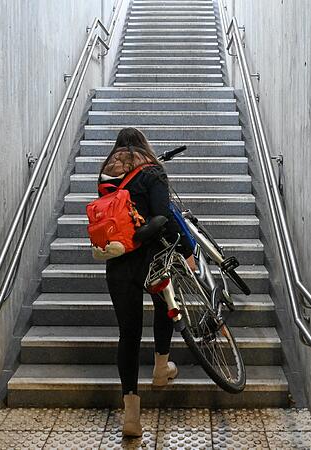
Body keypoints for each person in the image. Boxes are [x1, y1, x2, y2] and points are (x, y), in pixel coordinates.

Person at [97, 127, 195, 437]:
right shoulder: (153, 171)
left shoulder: (106, 175)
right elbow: (163, 215)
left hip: (118, 261)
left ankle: (131, 416)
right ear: (144, 147)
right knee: (166, 306)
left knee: (128, 334)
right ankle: (160, 368)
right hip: (152, 258)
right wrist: (185, 249)